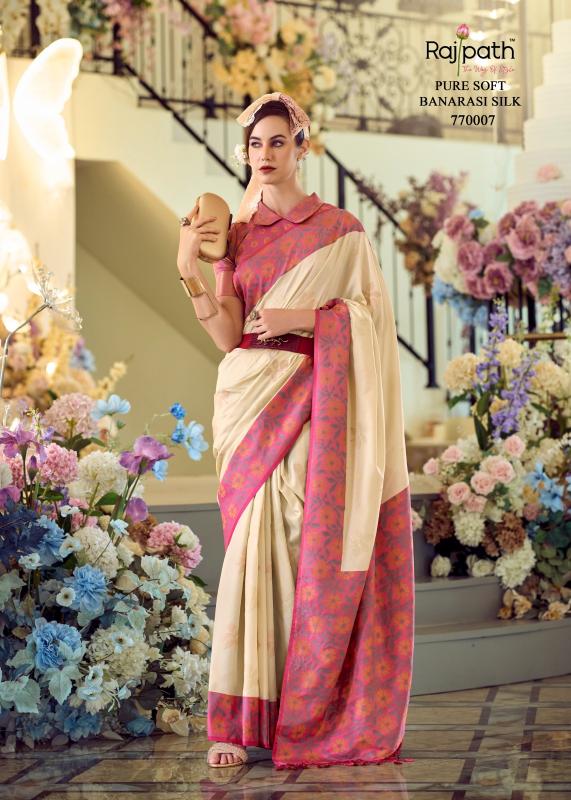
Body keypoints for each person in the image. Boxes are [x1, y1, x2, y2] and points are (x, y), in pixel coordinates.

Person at [176, 92, 415, 770]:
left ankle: (300, 709)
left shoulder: (340, 230)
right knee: (249, 551)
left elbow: (373, 323)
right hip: (247, 400)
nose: (265, 155)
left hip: (314, 402)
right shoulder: (237, 235)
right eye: (255, 144)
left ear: (301, 148)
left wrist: (305, 318)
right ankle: (237, 720)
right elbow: (228, 334)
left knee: (295, 542)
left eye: (278, 142)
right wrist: (188, 270)